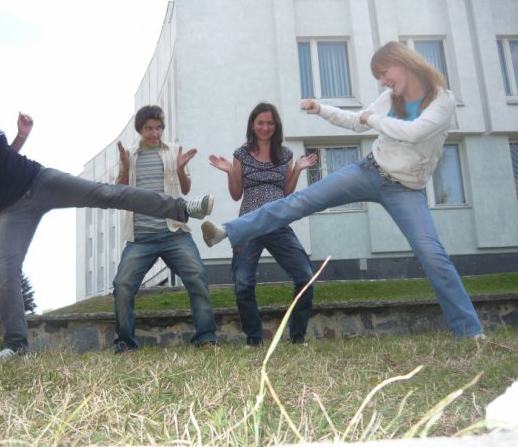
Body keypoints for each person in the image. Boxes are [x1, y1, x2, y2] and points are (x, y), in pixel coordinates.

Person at [202, 42, 484, 339]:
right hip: (370, 170)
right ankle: (226, 230)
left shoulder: (442, 99)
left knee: (432, 253)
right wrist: (321, 109)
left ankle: (470, 332)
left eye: (384, 74)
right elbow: (356, 121)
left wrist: (372, 119)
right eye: (379, 77)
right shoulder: (390, 98)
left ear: (403, 63)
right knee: (300, 201)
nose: (383, 82)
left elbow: (415, 132)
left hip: (406, 190)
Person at [0, 69, 214, 360]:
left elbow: (0, 159)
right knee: (6, 271)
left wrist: (21, 137)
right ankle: (16, 345)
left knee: (106, 193)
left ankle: (181, 207)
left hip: (39, 180)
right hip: (10, 210)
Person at [208, 102, 317, 346]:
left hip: (278, 224)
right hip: (248, 226)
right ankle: (254, 339)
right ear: (252, 125)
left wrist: (298, 170)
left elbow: (285, 192)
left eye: (270, 123)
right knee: (243, 283)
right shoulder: (241, 154)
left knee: (305, 276)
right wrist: (229, 172)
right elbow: (236, 194)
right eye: (260, 123)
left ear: (276, 125)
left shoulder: (285, 154)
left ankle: (297, 337)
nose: (265, 127)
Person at [112, 105, 218, 353]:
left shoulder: (173, 151)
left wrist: (180, 168)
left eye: (159, 128)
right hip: (141, 237)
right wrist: (125, 167)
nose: (155, 133)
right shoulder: (130, 155)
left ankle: (206, 338)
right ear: (140, 130)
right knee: (122, 285)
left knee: (197, 277)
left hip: (174, 232)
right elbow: (119, 194)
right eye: (149, 128)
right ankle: (125, 343)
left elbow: (186, 189)